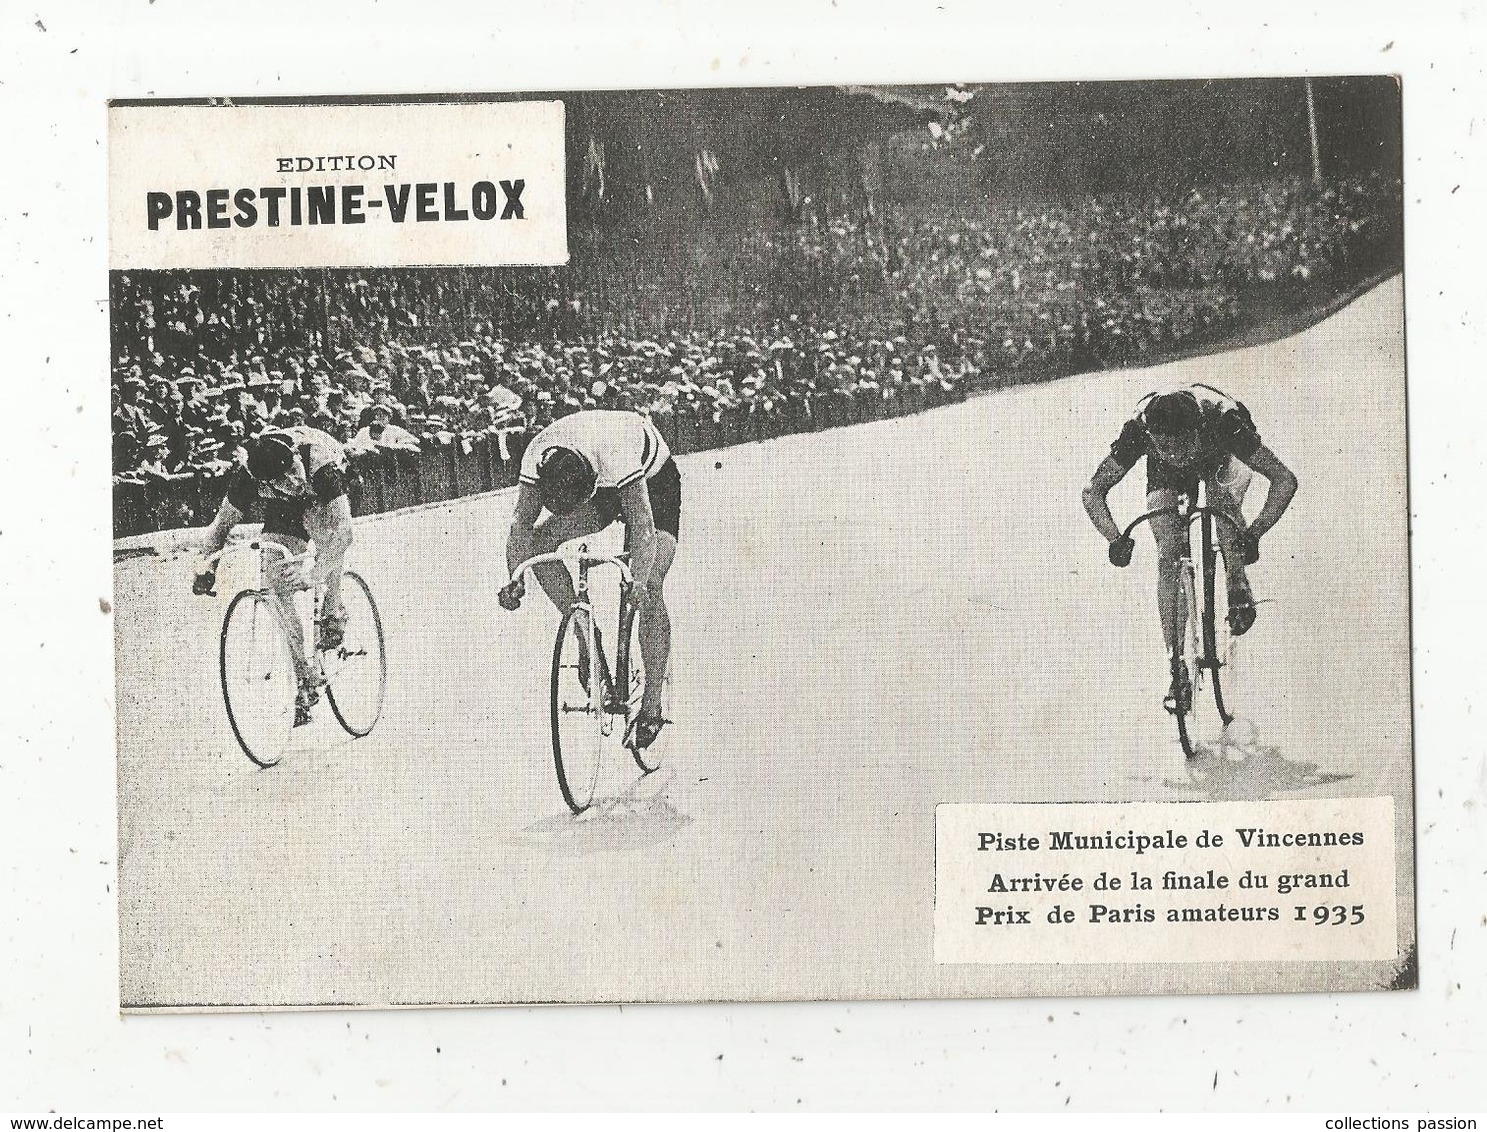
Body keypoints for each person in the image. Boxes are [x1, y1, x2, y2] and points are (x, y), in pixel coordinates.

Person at [1082, 383, 1297, 708]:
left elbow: (1283, 479)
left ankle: (1238, 588)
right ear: (1150, 436)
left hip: (1220, 456)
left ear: (1196, 429)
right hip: (1166, 477)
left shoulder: (1225, 422)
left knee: (1223, 504)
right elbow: (1093, 490)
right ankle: (1176, 666)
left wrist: (1254, 531)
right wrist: (1114, 538)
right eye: (1163, 446)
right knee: (1168, 552)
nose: (1174, 455)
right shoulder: (1138, 430)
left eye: (1180, 445)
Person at [499, 410, 680, 750]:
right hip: (599, 486)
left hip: (654, 481)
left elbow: (642, 526)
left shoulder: (617, 453)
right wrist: (514, 578)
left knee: (651, 584)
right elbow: (521, 525)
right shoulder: (536, 455)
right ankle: (584, 630)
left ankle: (652, 704)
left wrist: (637, 582)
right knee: (541, 543)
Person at [193, 426, 355, 727]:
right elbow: (219, 528)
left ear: (295, 456)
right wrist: (207, 567)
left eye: (293, 469)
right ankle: (304, 679)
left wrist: (314, 574)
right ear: (262, 481)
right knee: (273, 577)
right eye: (282, 479)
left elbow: (344, 532)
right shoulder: (246, 478)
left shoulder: (317, 464)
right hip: (284, 507)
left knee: (325, 535)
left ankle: (334, 610)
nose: (294, 481)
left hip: (328, 486)